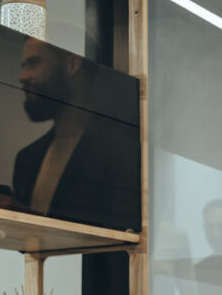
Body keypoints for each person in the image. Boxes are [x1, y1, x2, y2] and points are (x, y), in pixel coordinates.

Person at [11, 38, 140, 230]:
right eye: (24, 66)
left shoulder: (124, 148)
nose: (22, 76)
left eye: (34, 63)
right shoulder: (26, 160)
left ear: (72, 64)